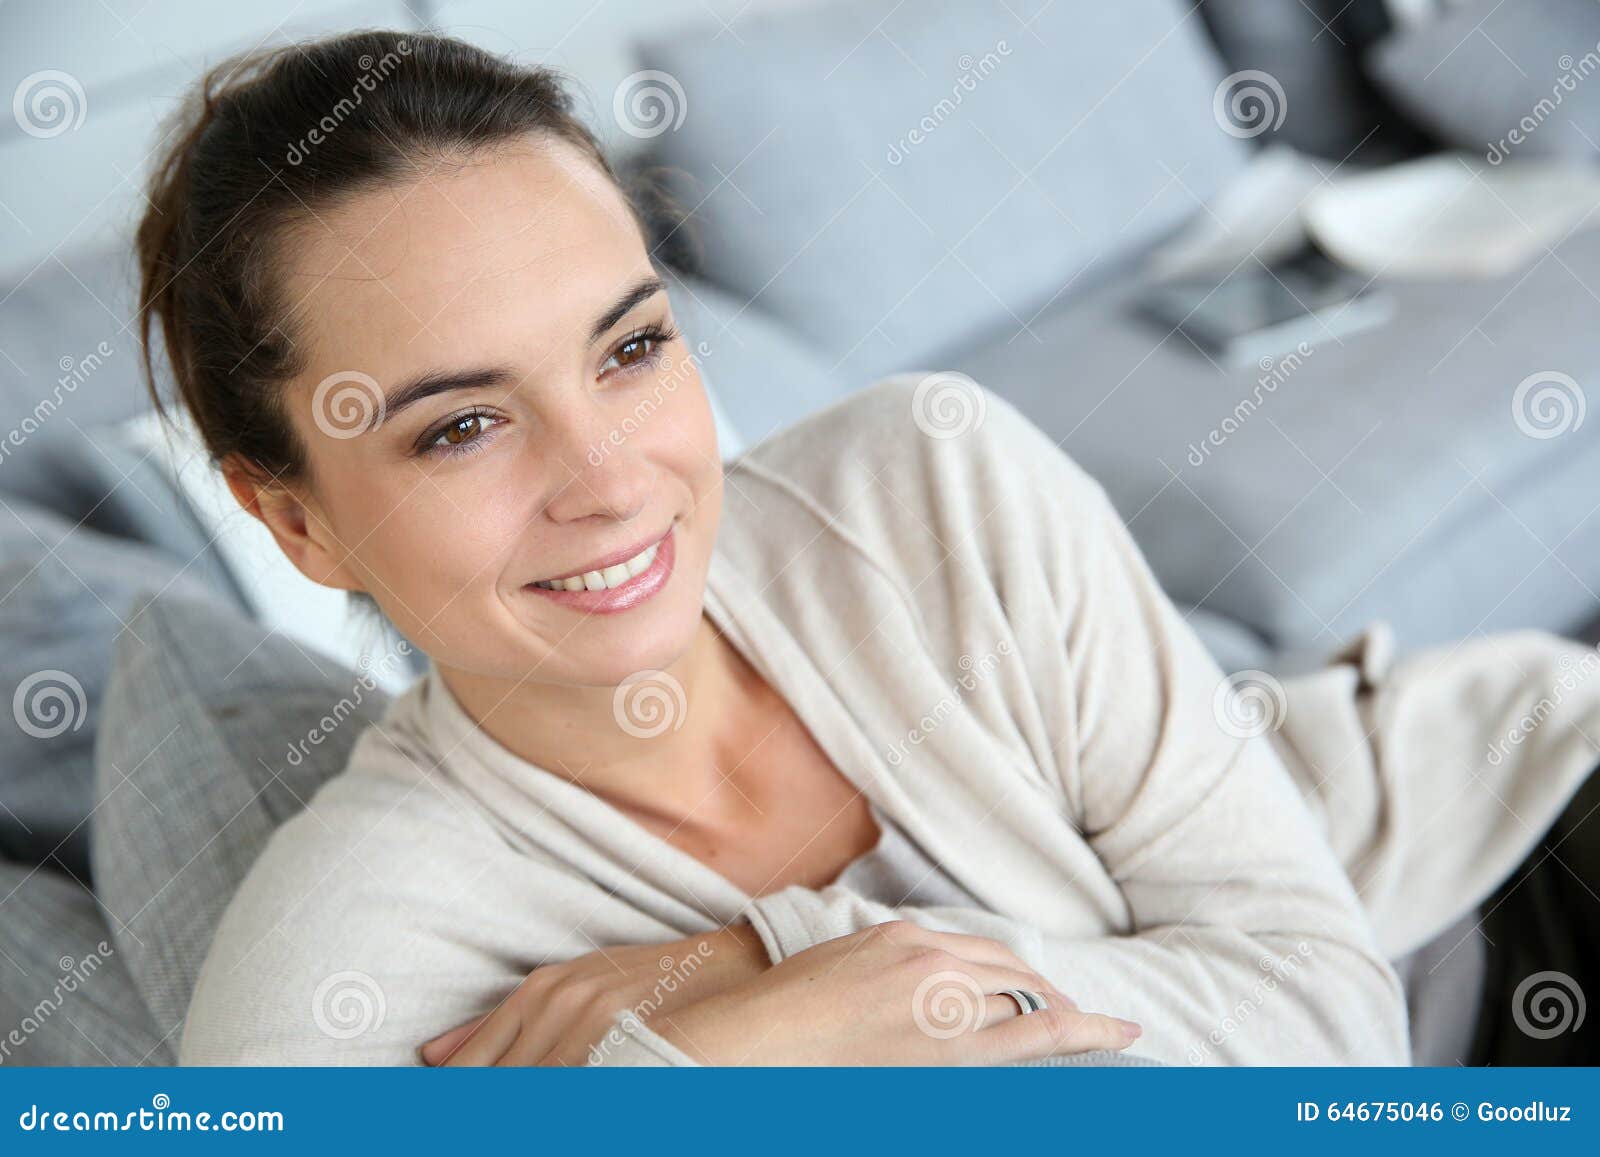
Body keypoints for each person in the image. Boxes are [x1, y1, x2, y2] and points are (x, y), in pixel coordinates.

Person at [141, 32, 1583, 1068]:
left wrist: (772, 962)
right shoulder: (340, 984)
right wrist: (711, 1063)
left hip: (1500, 848)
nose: (609, 479)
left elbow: (1332, 1024)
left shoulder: (931, 474)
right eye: (460, 428)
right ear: (296, 518)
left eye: (632, 348)